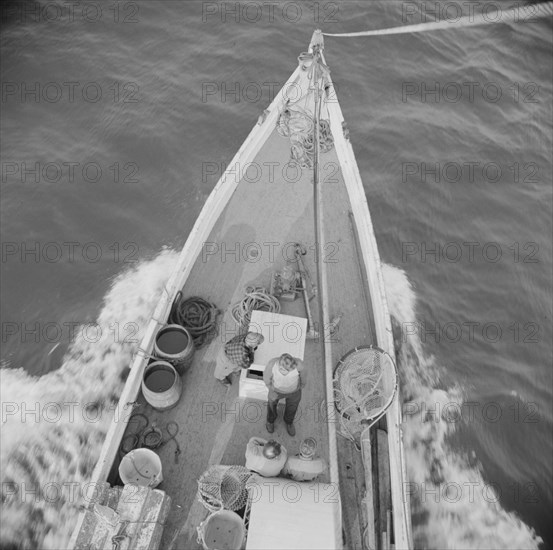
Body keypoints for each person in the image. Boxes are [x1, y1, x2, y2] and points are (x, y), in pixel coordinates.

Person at [263, 353, 306, 436]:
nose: (286, 373)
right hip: (276, 391)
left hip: (294, 392)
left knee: (292, 407)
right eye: (285, 370)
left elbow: (304, 376)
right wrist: (270, 388)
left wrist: (301, 385)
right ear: (280, 366)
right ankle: (270, 421)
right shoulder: (272, 364)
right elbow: (266, 377)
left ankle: (289, 422)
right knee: (271, 404)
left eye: (290, 370)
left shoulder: (299, 364)